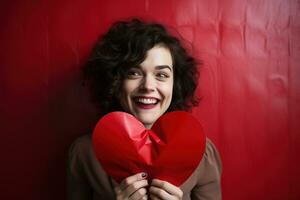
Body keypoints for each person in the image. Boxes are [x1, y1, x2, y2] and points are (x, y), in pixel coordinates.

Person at [67, 18, 222, 200]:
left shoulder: (202, 154)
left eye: (161, 75)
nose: (148, 86)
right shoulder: (84, 153)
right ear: (115, 81)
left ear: (175, 84)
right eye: (134, 72)